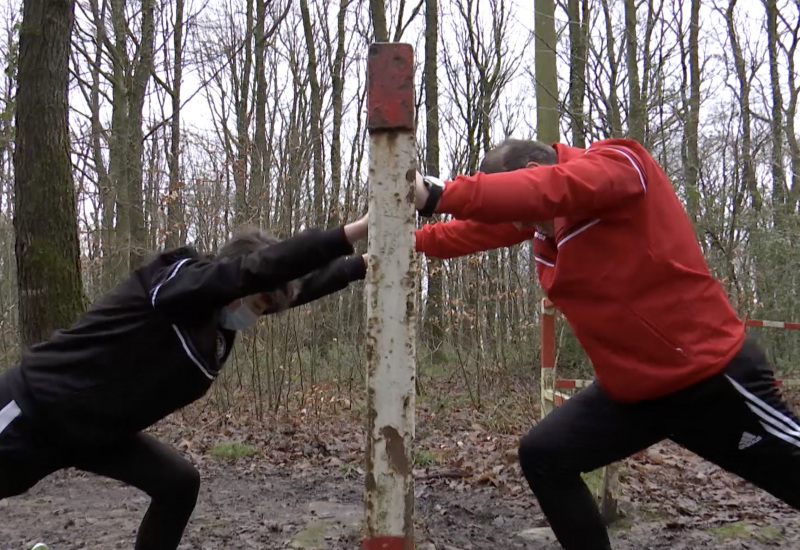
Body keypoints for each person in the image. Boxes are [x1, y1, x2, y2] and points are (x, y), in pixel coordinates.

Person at [411, 138, 800, 549]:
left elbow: (555, 187)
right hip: (632, 392)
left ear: (531, 171)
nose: (522, 225)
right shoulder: (541, 220)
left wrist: (437, 194)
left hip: (708, 379)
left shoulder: (619, 164)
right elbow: (464, 234)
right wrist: (386, 248)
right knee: (545, 456)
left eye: (517, 205)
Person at [0, 215, 369, 550]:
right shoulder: (178, 282)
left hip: (95, 433)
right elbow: (257, 272)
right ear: (237, 279)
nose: (258, 315)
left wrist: (361, 266)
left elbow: (297, 285)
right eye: (256, 303)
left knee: (177, 484)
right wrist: (356, 230)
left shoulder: (220, 325)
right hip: (32, 412)